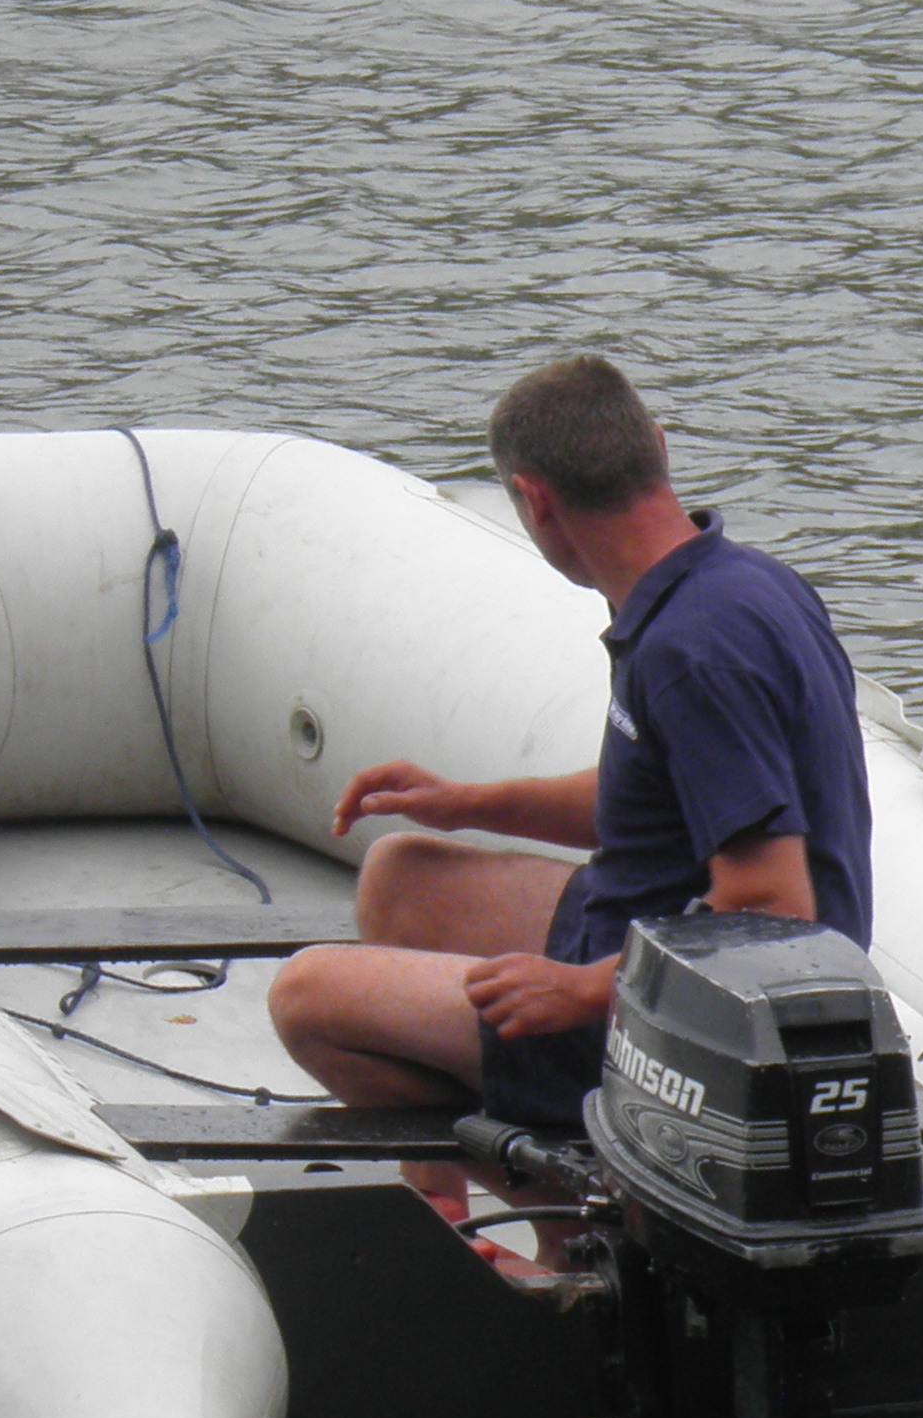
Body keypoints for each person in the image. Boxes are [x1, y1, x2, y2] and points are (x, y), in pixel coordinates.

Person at [266, 357, 874, 1127]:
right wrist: (461, 805)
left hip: (713, 1023)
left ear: (533, 500)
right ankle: (446, 1206)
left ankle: (561, 1198)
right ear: (656, 446)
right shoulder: (740, 584)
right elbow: (667, 797)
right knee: (399, 874)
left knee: (306, 997)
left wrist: (582, 991)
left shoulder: (691, 655)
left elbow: (773, 911)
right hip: (647, 932)